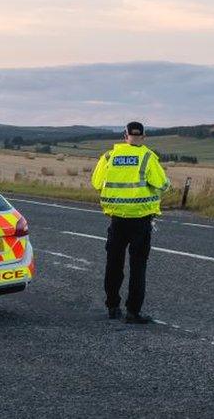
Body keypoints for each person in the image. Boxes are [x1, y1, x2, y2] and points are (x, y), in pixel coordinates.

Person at [90, 122, 169, 324]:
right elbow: (162, 184)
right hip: (141, 220)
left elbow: (96, 183)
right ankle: (133, 311)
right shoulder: (148, 157)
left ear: (125, 135)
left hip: (117, 219)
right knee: (138, 266)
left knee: (114, 264)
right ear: (144, 136)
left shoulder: (109, 157)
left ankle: (112, 307)